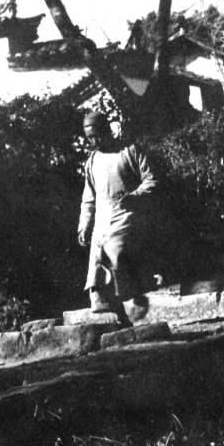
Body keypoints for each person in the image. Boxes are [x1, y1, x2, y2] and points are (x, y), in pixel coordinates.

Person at [77, 110, 158, 313]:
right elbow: (88, 198)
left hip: (126, 214)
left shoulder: (129, 151)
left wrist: (135, 195)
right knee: (96, 255)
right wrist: (84, 225)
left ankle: (133, 299)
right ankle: (99, 300)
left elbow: (151, 179)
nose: (94, 140)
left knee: (116, 250)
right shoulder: (92, 161)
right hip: (101, 219)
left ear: (106, 130)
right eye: (89, 137)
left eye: (97, 134)